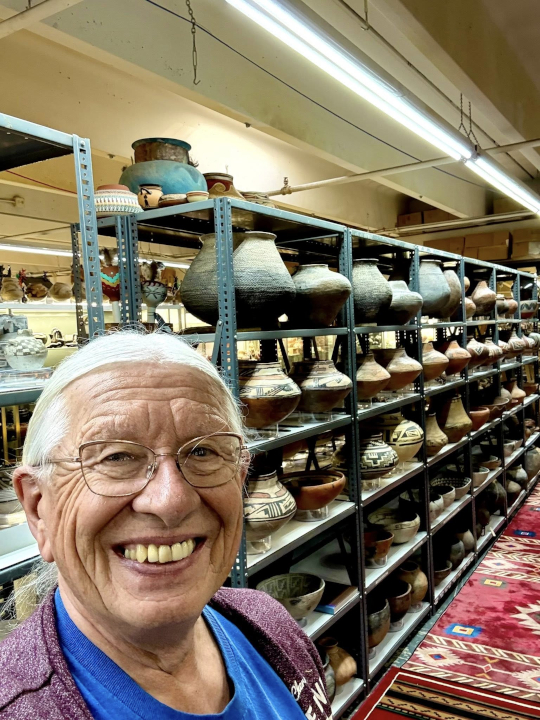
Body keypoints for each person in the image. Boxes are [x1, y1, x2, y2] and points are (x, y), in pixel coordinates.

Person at [0, 331, 331, 720]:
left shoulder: (268, 624)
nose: (171, 501)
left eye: (203, 451)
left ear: (240, 479)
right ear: (38, 508)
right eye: (116, 457)